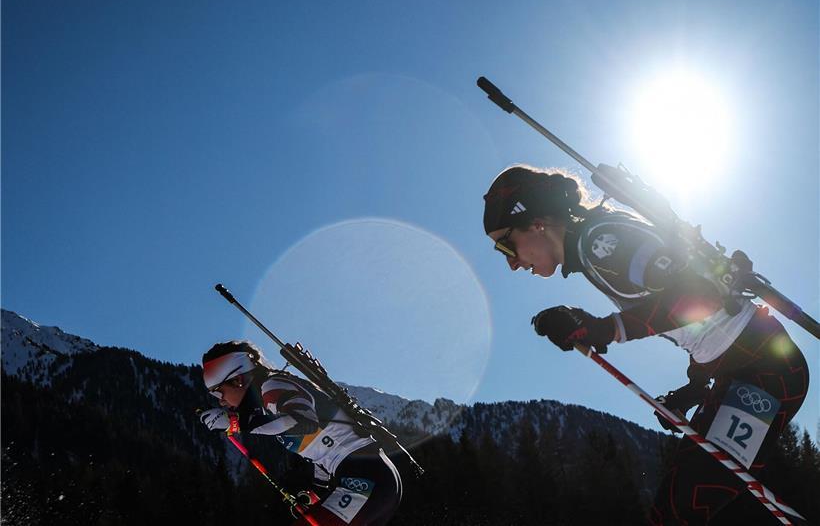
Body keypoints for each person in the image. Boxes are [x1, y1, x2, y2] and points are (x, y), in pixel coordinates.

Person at [482, 164, 809, 525]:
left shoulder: (600, 243)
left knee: (681, 509)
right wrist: (696, 385)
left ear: (535, 222)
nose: (512, 263)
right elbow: (700, 319)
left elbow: (699, 296)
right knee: (694, 505)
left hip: (766, 371)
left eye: (504, 244)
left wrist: (606, 329)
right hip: (750, 368)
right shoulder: (596, 244)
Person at [199, 341, 402, 525]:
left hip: (366, 475)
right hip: (371, 477)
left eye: (219, 390)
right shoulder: (268, 404)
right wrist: (317, 493)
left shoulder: (272, 387)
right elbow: (323, 451)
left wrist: (237, 423)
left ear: (238, 380)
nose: (220, 401)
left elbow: (304, 423)